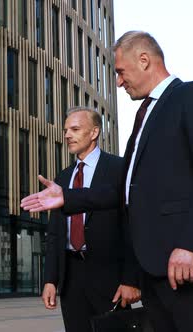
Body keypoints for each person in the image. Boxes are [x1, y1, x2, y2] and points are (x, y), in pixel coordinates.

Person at [22, 31, 193, 332]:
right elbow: (124, 192)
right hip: (153, 268)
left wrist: (190, 245)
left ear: (144, 60)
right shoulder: (143, 117)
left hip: (184, 262)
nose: (119, 82)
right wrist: (67, 199)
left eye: (120, 72)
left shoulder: (192, 95)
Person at [41, 107, 140, 332]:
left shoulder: (119, 169)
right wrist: (50, 280)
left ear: (94, 132)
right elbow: (55, 234)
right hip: (71, 278)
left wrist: (131, 279)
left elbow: (132, 228)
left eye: (75, 129)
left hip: (110, 278)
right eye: (66, 130)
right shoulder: (63, 178)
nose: (67, 135)